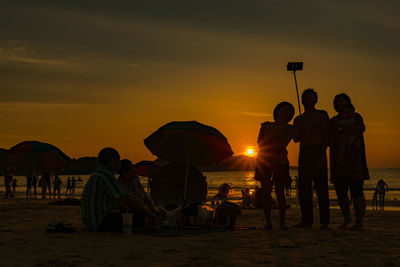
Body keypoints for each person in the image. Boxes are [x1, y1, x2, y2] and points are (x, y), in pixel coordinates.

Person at [81, 147, 159, 232]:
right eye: (118, 160)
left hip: (92, 221)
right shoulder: (106, 175)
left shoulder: (100, 173)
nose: (119, 163)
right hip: (99, 221)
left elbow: (120, 200)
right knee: (139, 216)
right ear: (111, 161)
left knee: (135, 215)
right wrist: (150, 215)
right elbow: (125, 199)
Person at [330, 93, 369, 231]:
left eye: (342, 101)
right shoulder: (333, 120)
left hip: (355, 161)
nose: (339, 104)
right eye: (336, 102)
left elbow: (359, 128)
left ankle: (359, 222)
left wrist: (341, 131)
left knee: (357, 191)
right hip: (338, 162)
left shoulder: (356, 117)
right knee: (341, 192)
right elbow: (330, 137)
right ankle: (347, 218)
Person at [293, 89, 330, 229]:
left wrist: (322, 154)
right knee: (304, 188)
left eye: (311, 96)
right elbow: (296, 139)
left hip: (318, 149)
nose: (308, 99)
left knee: (321, 188)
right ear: (302, 100)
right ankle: (306, 220)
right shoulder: (298, 119)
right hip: (304, 152)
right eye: (305, 96)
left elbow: (326, 135)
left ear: (315, 99)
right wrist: (300, 130)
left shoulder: (322, 114)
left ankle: (324, 222)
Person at [254, 102, 295, 230]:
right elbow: (259, 142)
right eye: (282, 108)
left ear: (290, 115)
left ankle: (282, 222)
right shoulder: (266, 125)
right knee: (266, 192)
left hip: (280, 162)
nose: (284, 111)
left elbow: (284, 142)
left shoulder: (290, 128)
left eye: (287, 110)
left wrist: (271, 145)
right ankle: (269, 222)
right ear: (276, 111)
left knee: (280, 192)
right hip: (264, 161)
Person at [118, 159, 159, 227]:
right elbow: (133, 204)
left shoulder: (135, 181)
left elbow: (145, 196)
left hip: (144, 209)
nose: (135, 169)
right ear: (125, 172)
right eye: (132, 168)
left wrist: (153, 208)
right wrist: (150, 214)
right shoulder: (120, 186)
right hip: (132, 212)